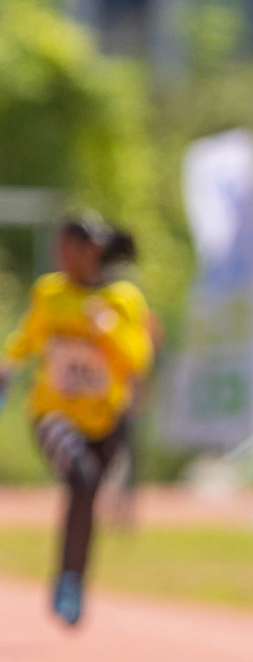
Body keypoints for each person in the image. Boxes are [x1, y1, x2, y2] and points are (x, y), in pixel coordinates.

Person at [0, 215, 154, 625]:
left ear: (91, 252)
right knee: (82, 480)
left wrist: (104, 331)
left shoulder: (123, 300)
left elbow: (137, 360)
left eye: (67, 249)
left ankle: (72, 579)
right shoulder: (49, 294)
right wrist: (7, 365)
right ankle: (68, 580)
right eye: (57, 250)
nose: (60, 258)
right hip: (53, 413)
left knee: (85, 498)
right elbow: (27, 339)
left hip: (106, 420)